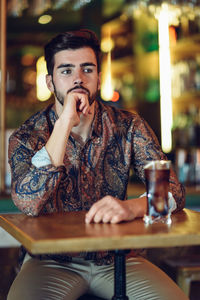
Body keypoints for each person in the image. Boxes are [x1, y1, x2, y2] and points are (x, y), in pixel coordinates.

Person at [7, 29, 188, 300]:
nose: (78, 79)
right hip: (50, 261)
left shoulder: (130, 125)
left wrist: (130, 208)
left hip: (119, 259)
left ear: (99, 78)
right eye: (66, 71)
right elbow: (28, 201)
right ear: (50, 81)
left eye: (87, 69)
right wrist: (65, 122)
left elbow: (173, 191)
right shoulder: (27, 135)